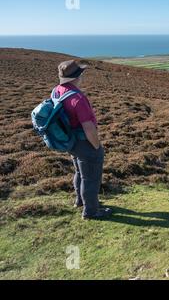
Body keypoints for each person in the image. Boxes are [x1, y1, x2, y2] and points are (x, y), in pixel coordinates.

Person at [55, 60, 112, 220]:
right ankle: (91, 211)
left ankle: (80, 201)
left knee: (80, 172)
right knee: (91, 177)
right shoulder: (77, 98)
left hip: (71, 142)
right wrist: (96, 146)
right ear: (76, 76)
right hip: (84, 143)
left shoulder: (58, 91)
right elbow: (88, 127)